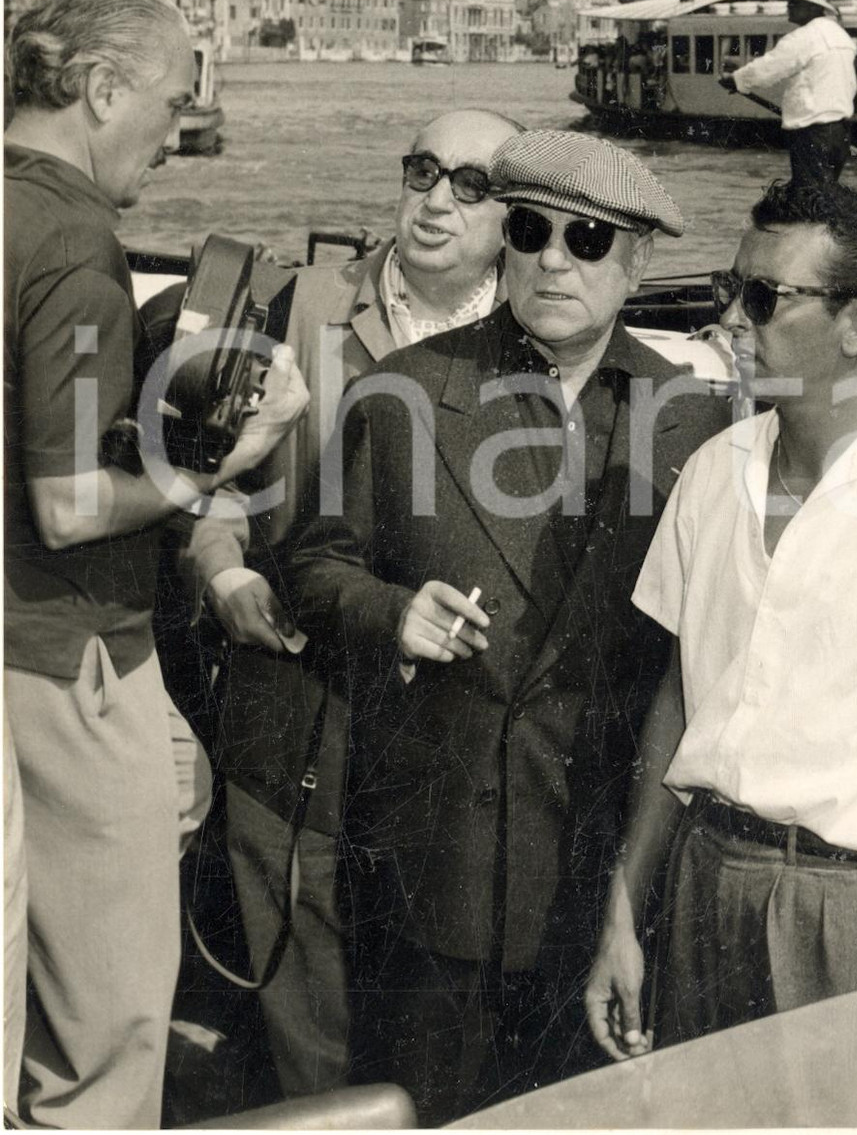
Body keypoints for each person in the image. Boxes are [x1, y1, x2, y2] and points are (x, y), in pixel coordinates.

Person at [289, 130, 727, 1124]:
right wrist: (390, 613)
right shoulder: (400, 393)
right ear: (502, 243)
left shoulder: (694, 420)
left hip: (604, 871)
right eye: (530, 232)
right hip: (433, 861)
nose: (554, 261)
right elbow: (313, 567)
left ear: (637, 264)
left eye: (588, 240)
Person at [586, 180, 857, 1064]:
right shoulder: (708, 474)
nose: (730, 319)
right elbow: (677, 703)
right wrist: (625, 911)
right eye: (727, 290)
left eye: (764, 298)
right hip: (705, 886)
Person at [3, 0, 308, 1129]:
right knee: (110, 1029)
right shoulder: (77, 242)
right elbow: (75, 506)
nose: (178, 138)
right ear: (97, 87)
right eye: (173, 104)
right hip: (60, 649)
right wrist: (227, 458)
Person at [180, 109, 523, 1098]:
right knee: (308, 998)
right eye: (423, 171)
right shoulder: (307, 302)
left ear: (511, 211)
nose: (435, 200)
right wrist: (225, 572)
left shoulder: (535, 328)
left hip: (445, 728)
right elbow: (213, 477)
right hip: (294, 699)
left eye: (470, 182)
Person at [719, 0, 857, 187]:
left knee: (810, 194)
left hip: (812, 131)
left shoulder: (804, 37)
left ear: (812, 8)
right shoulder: (842, 36)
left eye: (794, 3)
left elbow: (769, 68)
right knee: (827, 190)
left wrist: (736, 80)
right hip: (840, 131)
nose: (788, 7)